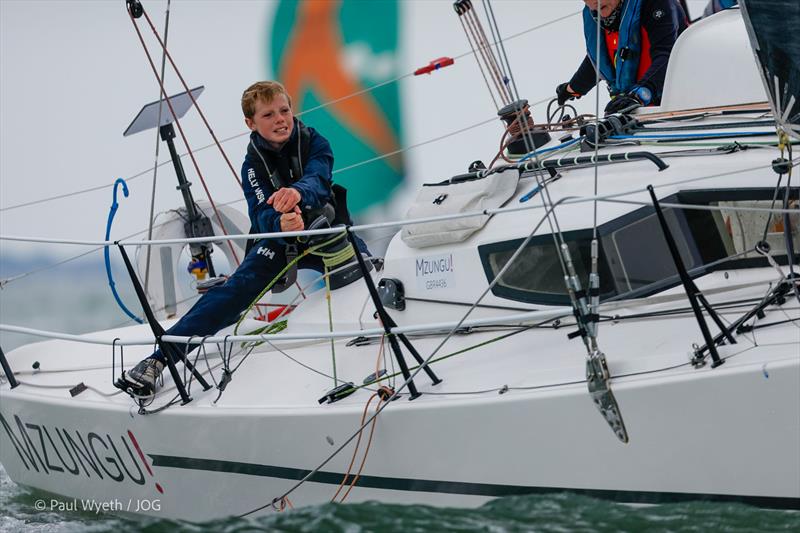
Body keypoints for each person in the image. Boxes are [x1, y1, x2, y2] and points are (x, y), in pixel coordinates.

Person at [117, 80, 368, 397]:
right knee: (232, 292)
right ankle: (157, 361)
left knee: (372, 273)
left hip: (325, 233)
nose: (280, 119)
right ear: (251, 123)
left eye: (284, 110)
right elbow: (260, 214)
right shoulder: (252, 166)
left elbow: (318, 179)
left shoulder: (316, 142)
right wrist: (280, 221)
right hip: (280, 242)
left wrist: (295, 194)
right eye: (268, 115)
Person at [555, 0, 689, 115]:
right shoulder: (596, 16)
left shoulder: (655, 4)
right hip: (634, 111)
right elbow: (600, 60)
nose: (594, 2)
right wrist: (572, 88)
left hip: (678, 104)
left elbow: (669, 55)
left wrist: (640, 94)